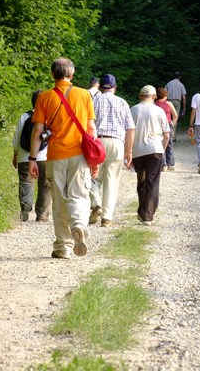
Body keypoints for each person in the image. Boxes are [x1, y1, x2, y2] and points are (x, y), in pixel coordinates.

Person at [29, 58, 98, 259]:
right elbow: (91, 128)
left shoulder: (45, 97)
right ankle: (78, 224)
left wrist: (33, 159)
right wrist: (94, 160)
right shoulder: (84, 95)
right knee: (79, 195)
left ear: (53, 75)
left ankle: (63, 247)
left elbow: (38, 131)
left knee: (59, 201)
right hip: (80, 155)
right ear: (72, 74)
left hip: (55, 155)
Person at [89, 73, 135, 227]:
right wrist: (129, 151)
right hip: (117, 143)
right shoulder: (122, 102)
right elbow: (130, 129)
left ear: (100, 87)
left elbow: (87, 125)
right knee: (112, 180)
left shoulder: (94, 100)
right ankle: (107, 217)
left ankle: (96, 203)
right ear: (115, 87)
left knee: (92, 176)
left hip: (98, 141)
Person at [130, 85, 170, 225]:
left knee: (141, 181)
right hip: (155, 149)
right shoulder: (159, 111)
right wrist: (163, 150)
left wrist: (128, 151)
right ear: (154, 97)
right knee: (152, 182)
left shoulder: (133, 109)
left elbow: (129, 132)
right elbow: (166, 134)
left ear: (141, 95)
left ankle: (142, 212)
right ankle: (148, 215)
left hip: (138, 150)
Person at [12, 90, 52, 222]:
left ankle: (25, 206)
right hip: (45, 157)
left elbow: (17, 137)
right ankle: (42, 215)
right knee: (45, 185)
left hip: (25, 156)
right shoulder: (48, 117)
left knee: (26, 181)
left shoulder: (25, 116)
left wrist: (15, 154)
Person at [155, 87, 178, 171]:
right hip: (168, 124)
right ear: (165, 95)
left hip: (158, 125)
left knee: (160, 144)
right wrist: (172, 124)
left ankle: (163, 164)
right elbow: (175, 115)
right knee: (169, 144)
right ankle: (170, 164)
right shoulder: (169, 103)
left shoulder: (154, 104)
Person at [165, 71, 186, 138]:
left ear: (173, 76)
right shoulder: (181, 85)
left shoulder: (168, 84)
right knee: (175, 118)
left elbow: (164, 93)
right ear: (179, 77)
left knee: (167, 118)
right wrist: (184, 107)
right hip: (177, 102)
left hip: (169, 101)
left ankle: (166, 133)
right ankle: (172, 135)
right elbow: (184, 97)